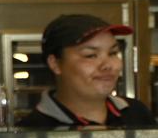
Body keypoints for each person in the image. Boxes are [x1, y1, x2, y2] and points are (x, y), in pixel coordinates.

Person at [18, 14, 155, 128]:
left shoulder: (136, 113)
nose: (107, 65)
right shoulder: (33, 130)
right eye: (90, 55)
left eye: (113, 53)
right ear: (55, 64)